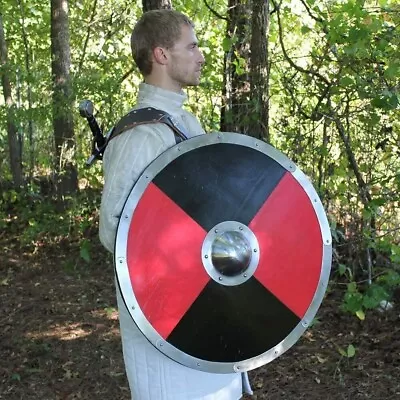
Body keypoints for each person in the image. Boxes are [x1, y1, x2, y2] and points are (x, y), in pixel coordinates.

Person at [99, 9, 252, 400]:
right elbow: (114, 227)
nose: (201, 55)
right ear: (162, 55)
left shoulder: (188, 123)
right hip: (168, 316)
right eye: (192, 46)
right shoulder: (140, 135)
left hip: (208, 303)